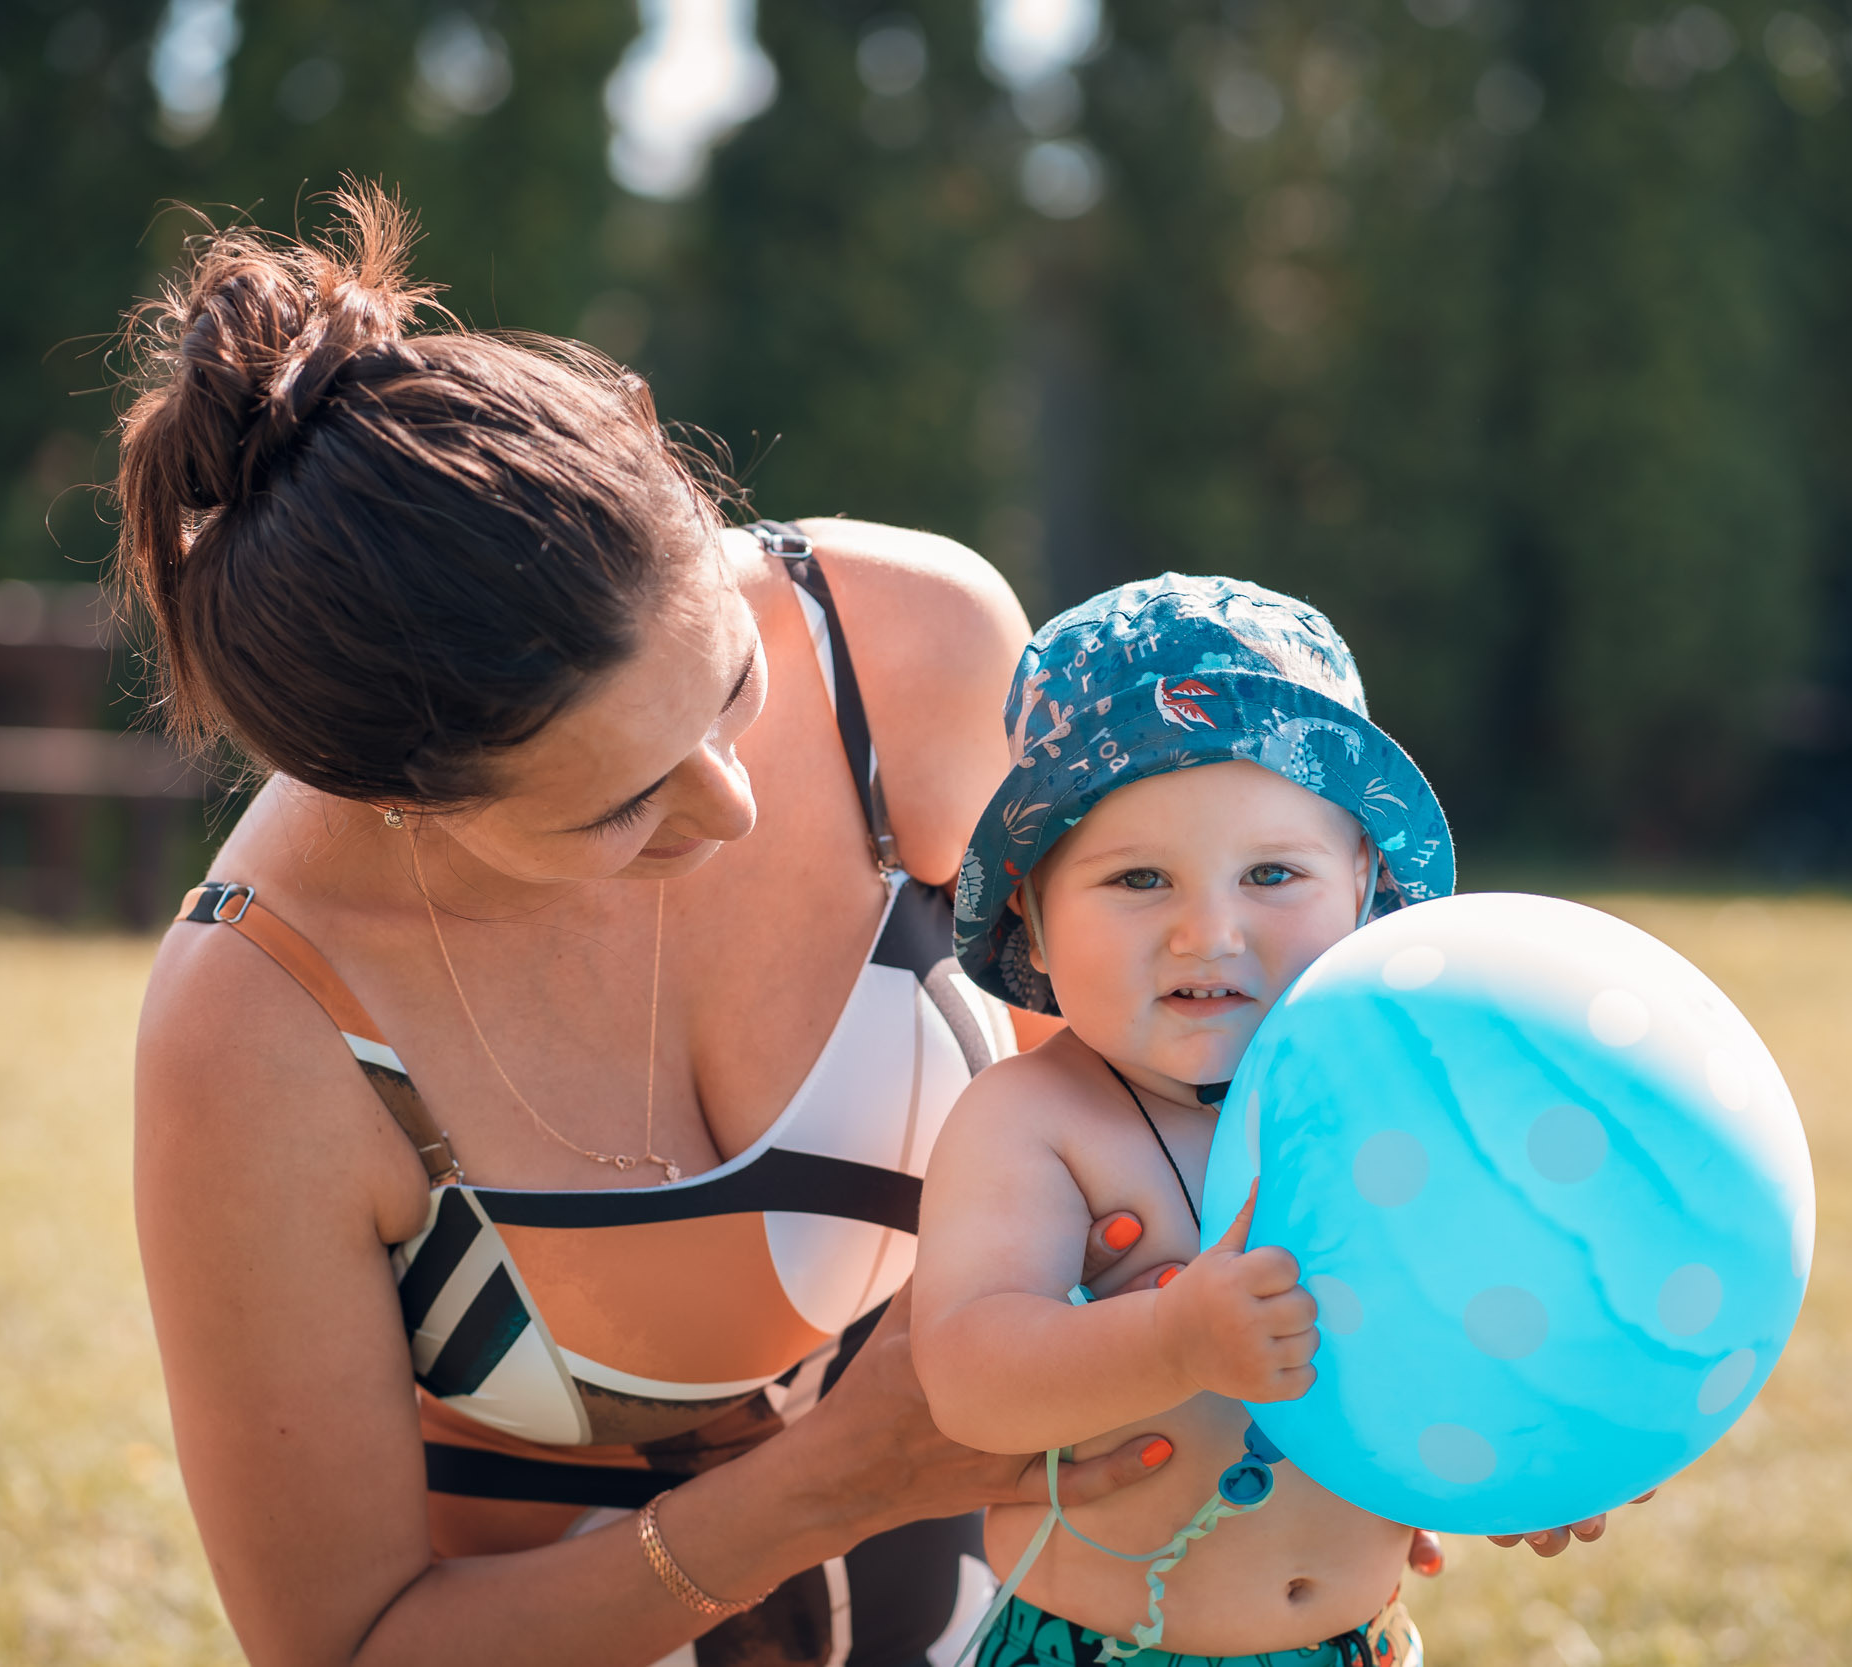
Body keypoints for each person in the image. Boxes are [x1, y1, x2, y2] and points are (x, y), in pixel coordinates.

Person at [118, 188, 1191, 1667]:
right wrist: (829, 1484)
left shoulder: (916, 647)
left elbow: (1180, 1112)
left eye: (733, 683)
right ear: (400, 804)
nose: (735, 804)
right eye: (620, 806)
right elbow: (346, 1644)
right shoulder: (262, 1020)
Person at [911, 576, 1462, 1667]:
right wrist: (1174, 1336)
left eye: (1271, 872)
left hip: (1357, 1640)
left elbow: (1466, 1315)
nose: (1208, 931)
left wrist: (1544, 1456)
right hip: (1102, 1646)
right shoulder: (1035, 1119)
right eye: (1138, 878)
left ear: (1359, 880)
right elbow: (970, 1375)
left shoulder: (1388, 1107)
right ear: (1032, 905)